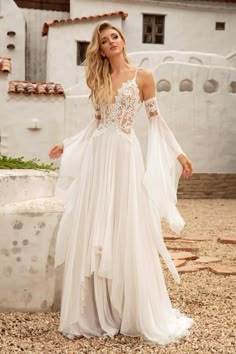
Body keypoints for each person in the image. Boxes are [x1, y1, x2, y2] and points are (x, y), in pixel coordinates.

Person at [49, 21, 193, 344]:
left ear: (123, 40)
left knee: (124, 227)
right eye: (104, 40)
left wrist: (179, 154)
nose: (111, 42)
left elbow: (156, 122)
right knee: (94, 226)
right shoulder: (98, 78)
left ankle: (128, 308)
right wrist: (68, 144)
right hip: (97, 158)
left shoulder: (143, 76)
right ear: (99, 49)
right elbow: (95, 123)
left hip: (125, 156)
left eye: (114, 36)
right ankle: (94, 311)